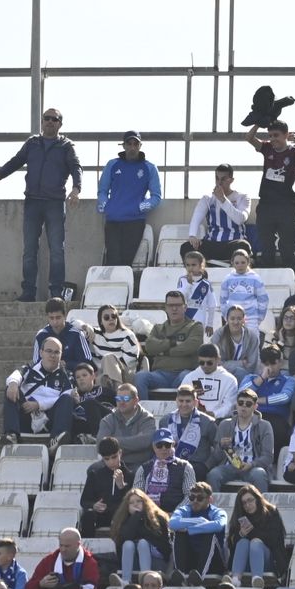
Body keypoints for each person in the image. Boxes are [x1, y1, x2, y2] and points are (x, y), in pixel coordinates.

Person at [0, 110, 82, 301]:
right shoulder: (32, 143)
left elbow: (76, 167)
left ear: (60, 124)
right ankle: (28, 292)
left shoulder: (66, 146)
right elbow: (16, 161)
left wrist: (76, 189)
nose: (50, 122)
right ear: (42, 122)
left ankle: (56, 293)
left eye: (54, 119)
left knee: (57, 250)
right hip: (32, 202)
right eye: (46, 118)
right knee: (29, 250)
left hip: (55, 203)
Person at [244, 120, 295, 269]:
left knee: (287, 246)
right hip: (266, 204)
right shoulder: (267, 148)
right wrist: (259, 121)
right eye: (270, 135)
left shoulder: (293, 151)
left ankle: (290, 275)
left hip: (286, 205)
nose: (273, 139)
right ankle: (267, 274)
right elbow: (249, 138)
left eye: (276, 135)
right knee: (266, 245)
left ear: (286, 135)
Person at [98, 130, 162, 266]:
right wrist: (107, 207)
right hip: (113, 221)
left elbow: (156, 196)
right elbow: (102, 190)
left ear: (140, 146)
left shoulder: (150, 168)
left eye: (135, 144)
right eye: (129, 144)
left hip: (135, 221)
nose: (132, 147)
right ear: (124, 145)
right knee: (112, 261)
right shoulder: (112, 164)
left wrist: (139, 207)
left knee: (126, 262)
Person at [137, 293, 208, 400]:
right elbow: (149, 347)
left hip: (185, 372)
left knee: (188, 377)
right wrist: (173, 343)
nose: (174, 308)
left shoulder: (195, 327)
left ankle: (185, 408)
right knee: (140, 377)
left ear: (185, 307)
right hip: (160, 375)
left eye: (178, 305)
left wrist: (162, 351)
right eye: (170, 305)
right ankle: (143, 409)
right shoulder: (158, 328)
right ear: (165, 308)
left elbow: (190, 347)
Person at [183, 164, 253, 265]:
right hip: (212, 243)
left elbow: (240, 219)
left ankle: (217, 264)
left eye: (223, 179)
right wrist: (192, 235)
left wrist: (223, 199)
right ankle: (204, 266)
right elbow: (196, 218)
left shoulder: (242, 197)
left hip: (233, 244)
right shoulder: (207, 199)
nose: (219, 183)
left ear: (231, 180)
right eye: (217, 178)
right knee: (186, 247)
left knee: (243, 246)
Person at [208, 390, 274, 491]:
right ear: (236, 405)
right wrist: (221, 446)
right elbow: (216, 457)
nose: (244, 406)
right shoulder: (225, 424)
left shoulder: (264, 426)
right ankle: (213, 501)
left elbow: (268, 457)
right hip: (229, 466)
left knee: (259, 474)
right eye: (240, 403)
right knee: (213, 474)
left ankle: (261, 501)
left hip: (253, 467)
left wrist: (251, 464)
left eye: (248, 404)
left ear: (255, 407)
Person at [225, 484, 285, 588]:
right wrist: (240, 534)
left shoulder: (271, 512)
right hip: (244, 564)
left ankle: (257, 579)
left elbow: (273, 540)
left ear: (257, 499)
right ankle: (235, 579)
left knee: (255, 543)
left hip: (268, 562)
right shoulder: (239, 517)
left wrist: (250, 532)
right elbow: (231, 546)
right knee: (243, 542)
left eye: (250, 500)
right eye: (244, 503)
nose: (248, 505)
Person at [168, 481, 228, 582]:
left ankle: (199, 576)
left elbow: (219, 525)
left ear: (210, 499)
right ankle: (180, 575)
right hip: (191, 560)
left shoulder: (217, 512)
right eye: (192, 498)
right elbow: (172, 523)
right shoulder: (184, 510)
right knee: (180, 534)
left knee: (209, 535)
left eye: (200, 498)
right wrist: (200, 521)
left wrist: (189, 529)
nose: (195, 501)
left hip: (214, 562)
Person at [109, 485, 171, 581]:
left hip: (156, 561)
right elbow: (124, 538)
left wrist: (141, 516)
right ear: (127, 507)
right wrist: (135, 517)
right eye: (131, 503)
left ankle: (146, 579)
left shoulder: (157, 518)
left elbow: (163, 545)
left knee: (143, 543)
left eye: (138, 501)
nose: (135, 504)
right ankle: (125, 581)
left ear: (145, 502)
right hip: (133, 562)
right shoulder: (123, 521)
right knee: (128, 544)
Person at [135, 432, 198, 516]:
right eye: (159, 445)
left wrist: (175, 513)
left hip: (178, 516)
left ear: (173, 445)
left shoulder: (186, 467)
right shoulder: (143, 468)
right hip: (149, 516)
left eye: (167, 445)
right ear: (153, 447)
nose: (163, 448)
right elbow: (137, 495)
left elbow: (190, 495)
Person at [100, 386, 158, 474]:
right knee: (93, 470)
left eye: (126, 399)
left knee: (136, 473)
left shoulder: (147, 419)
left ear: (136, 400)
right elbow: (100, 444)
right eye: (119, 399)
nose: (121, 402)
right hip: (112, 462)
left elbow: (145, 442)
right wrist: (134, 442)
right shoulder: (108, 420)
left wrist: (113, 441)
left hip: (138, 463)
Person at [214, 251, 271, 334]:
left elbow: (263, 299)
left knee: (252, 340)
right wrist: (226, 316)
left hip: (251, 318)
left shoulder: (255, 278)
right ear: (232, 263)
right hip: (233, 318)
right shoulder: (227, 279)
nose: (240, 265)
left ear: (248, 262)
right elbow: (223, 300)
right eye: (237, 263)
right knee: (233, 341)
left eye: (243, 262)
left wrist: (259, 317)